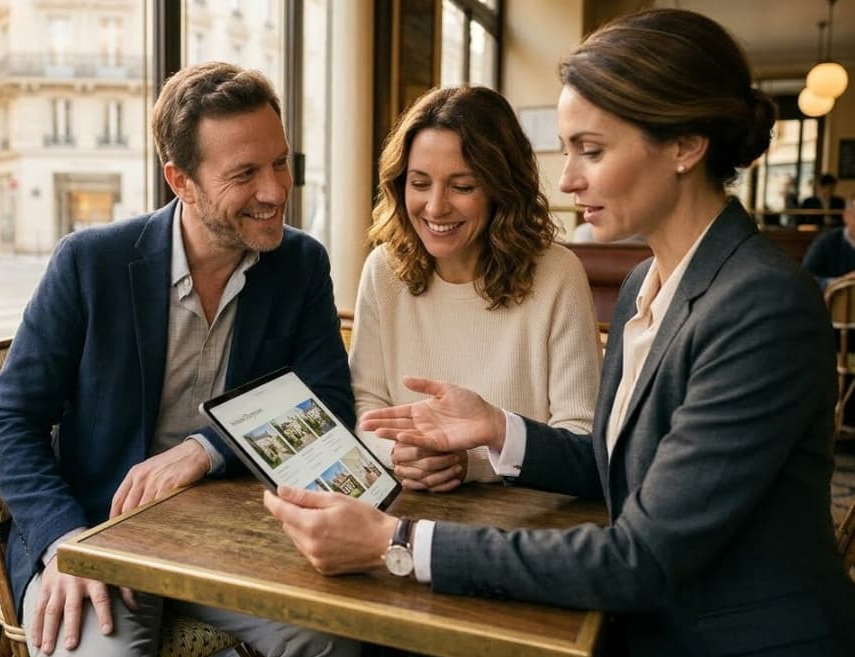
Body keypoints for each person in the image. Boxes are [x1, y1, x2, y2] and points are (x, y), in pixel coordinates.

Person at [264, 9, 855, 656]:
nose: (568, 179)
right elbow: (613, 468)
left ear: (685, 146)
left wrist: (396, 542)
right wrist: (496, 428)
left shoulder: (761, 304)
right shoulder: (646, 284)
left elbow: (641, 558)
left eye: (591, 151)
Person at [0, 62, 359, 657]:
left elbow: (329, 405)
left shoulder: (301, 264)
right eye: (245, 174)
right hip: (100, 530)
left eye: (280, 163)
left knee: (334, 641)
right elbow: (11, 422)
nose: (275, 191)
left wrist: (207, 449)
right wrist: (65, 542)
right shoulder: (89, 262)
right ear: (181, 181)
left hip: (240, 532)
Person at [351, 85, 600, 492]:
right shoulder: (383, 270)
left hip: (527, 513)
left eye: (462, 186)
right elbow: (366, 407)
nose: (435, 207)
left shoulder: (558, 274)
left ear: (502, 188)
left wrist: (472, 461)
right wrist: (401, 454)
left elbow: (581, 433)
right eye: (419, 183)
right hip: (410, 503)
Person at [803, 193, 855, 289]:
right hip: (834, 297)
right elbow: (805, 278)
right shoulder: (826, 241)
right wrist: (841, 282)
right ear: (846, 216)